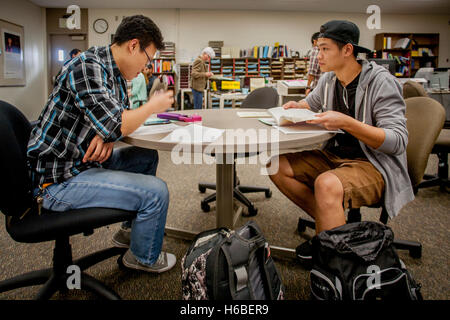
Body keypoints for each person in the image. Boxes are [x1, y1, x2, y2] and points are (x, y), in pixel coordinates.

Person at [27, 15, 177, 273]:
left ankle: (129, 234)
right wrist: (153, 105)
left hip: (82, 161)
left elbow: (115, 122)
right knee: (156, 192)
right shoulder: (86, 66)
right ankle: (142, 258)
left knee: (146, 156)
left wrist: (107, 133)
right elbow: (116, 123)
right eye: (147, 59)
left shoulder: (114, 74)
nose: (145, 67)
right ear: (133, 46)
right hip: (58, 181)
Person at [268, 20, 414, 263]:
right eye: (317, 49)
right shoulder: (329, 80)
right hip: (334, 156)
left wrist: (347, 122)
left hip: (373, 163)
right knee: (273, 164)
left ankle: (335, 268)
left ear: (347, 50)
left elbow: (397, 141)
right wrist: (297, 106)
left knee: (326, 184)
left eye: (325, 49)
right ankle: (336, 233)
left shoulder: (381, 81)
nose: (318, 56)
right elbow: (311, 104)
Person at [305, 32, 321, 96]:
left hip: (317, 88)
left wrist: (308, 87)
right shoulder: (328, 50)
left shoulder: (315, 50)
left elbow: (312, 71)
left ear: (315, 41)